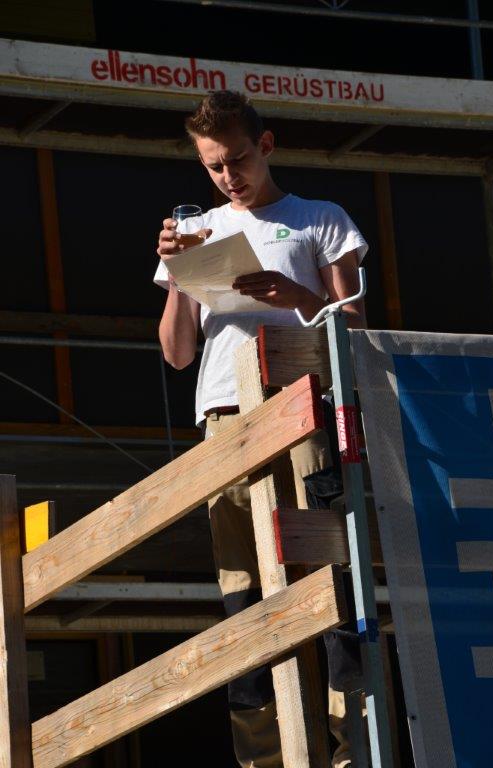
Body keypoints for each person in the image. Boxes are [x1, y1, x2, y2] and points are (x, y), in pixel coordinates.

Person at [154, 90, 368, 768]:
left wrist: (299, 297)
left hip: (303, 405)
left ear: (266, 145)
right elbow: (178, 354)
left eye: (238, 159)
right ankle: (263, 760)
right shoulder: (200, 228)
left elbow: (356, 330)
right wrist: (179, 278)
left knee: (325, 572)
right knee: (240, 583)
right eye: (213, 166)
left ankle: (351, 752)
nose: (228, 177)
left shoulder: (319, 218)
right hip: (224, 415)